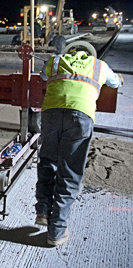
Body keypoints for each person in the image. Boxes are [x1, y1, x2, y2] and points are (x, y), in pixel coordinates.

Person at [35, 35, 123, 246]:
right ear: (89, 54)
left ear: (70, 52)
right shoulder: (99, 65)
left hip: (51, 114)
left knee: (47, 161)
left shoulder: (56, 61)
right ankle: (56, 231)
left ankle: (43, 212)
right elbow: (114, 83)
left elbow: (42, 77)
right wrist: (118, 79)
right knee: (70, 171)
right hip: (80, 117)